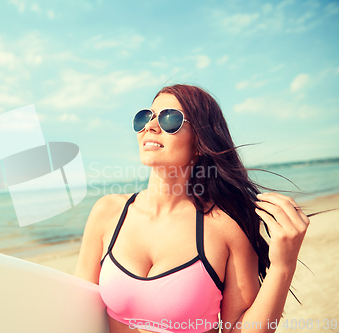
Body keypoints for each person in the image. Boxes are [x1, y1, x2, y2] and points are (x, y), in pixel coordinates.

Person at [74, 84, 310, 333]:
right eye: (146, 117)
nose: (151, 127)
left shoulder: (226, 228)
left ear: (199, 142)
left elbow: (238, 329)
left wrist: (283, 266)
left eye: (169, 119)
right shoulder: (107, 212)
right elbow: (77, 308)